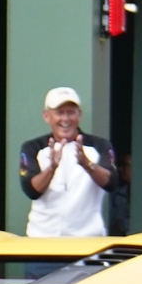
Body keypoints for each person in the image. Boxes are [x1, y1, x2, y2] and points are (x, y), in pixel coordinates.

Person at [18, 86, 116, 238]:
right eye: (59, 113)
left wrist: (88, 165)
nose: (65, 119)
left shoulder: (99, 145)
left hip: (88, 242)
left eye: (71, 112)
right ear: (46, 116)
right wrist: (52, 168)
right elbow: (31, 190)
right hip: (41, 243)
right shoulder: (33, 148)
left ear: (79, 115)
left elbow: (111, 183)